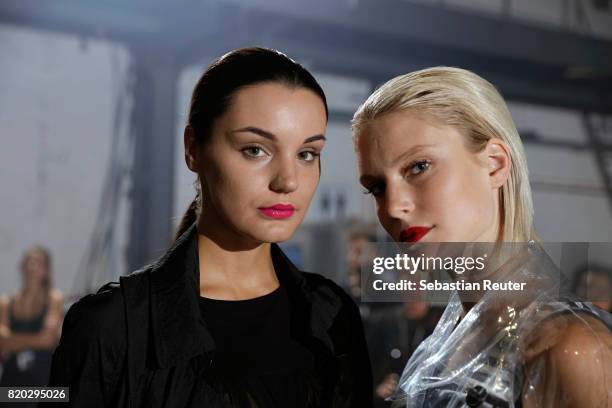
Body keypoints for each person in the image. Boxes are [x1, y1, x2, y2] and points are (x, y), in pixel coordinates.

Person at [48, 47, 372, 408]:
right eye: (255, 150)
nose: (288, 181)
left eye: (306, 154)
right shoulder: (112, 327)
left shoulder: (333, 315)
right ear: (193, 149)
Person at [351, 67, 612, 407]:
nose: (394, 206)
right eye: (377, 187)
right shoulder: (442, 342)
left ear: (494, 164)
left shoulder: (570, 348)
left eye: (418, 167)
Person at [0, 246, 64, 395]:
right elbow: (1, 342)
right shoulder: (6, 302)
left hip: (46, 383)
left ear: (46, 270)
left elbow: (49, 340)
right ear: (22, 266)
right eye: (29, 261)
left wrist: (13, 341)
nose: (32, 267)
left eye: (38, 262)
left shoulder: (54, 299)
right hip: (11, 384)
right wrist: (37, 339)